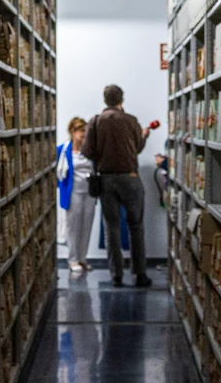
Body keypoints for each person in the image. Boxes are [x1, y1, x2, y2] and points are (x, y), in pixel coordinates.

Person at [81, 85, 160, 286]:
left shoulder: (96, 122)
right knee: (136, 226)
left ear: (104, 100)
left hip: (106, 180)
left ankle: (116, 275)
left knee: (112, 228)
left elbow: (87, 151)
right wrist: (143, 136)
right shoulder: (131, 120)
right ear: (121, 100)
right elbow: (138, 148)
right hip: (130, 178)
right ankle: (139, 274)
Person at [57, 117, 97, 274]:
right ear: (72, 132)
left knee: (86, 226)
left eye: (85, 131)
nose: (84, 134)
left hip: (89, 193)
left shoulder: (90, 150)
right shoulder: (63, 150)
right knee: (73, 227)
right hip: (72, 193)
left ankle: (82, 258)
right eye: (81, 131)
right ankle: (72, 259)